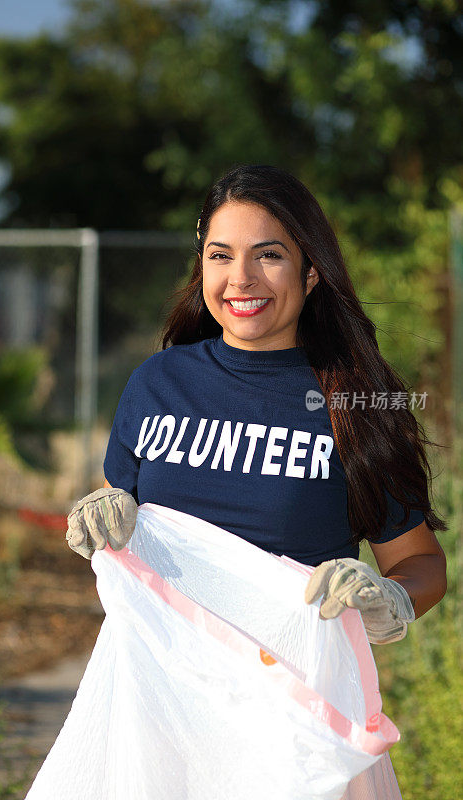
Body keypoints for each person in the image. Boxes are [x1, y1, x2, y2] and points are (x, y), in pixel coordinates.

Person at [66, 163, 447, 797]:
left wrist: (389, 596)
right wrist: (104, 511)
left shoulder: (356, 403)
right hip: (158, 720)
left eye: (268, 256)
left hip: (295, 733)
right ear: (203, 269)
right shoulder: (157, 385)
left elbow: (422, 562)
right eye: (221, 256)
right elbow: (125, 530)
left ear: (311, 270)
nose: (240, 279)